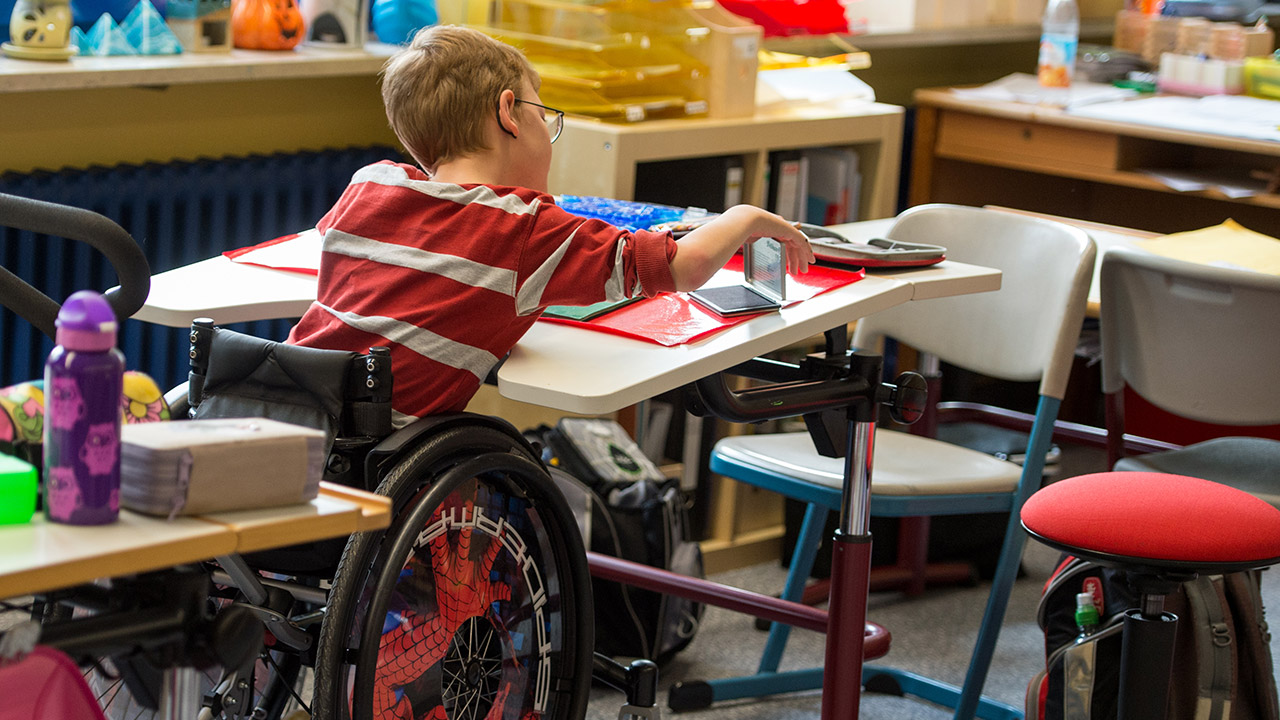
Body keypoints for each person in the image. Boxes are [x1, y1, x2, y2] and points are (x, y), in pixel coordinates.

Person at [288, 24, 814, 428]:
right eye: (544, 113)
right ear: (509, 113)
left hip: (291, 413)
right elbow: (684, 267)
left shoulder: (372, 184)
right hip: (378, 451)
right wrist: (744, 218)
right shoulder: (526, 231)